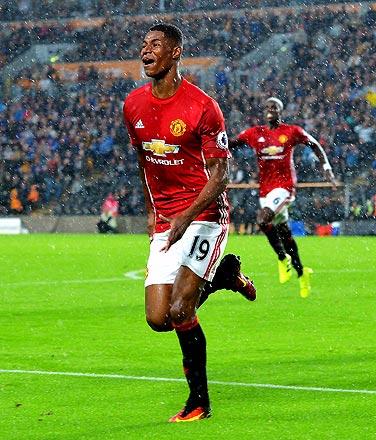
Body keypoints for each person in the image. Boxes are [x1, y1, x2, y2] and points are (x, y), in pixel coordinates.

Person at [122, 23, 255, 423]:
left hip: (204, 217)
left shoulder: (202, 107)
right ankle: (224, 276)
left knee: (181, 309)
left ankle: (199, 401)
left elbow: (220, 176)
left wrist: (185, 215)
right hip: (166, 219)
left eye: (156, 45)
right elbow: (144, 162)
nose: (147, 51)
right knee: (158, 319)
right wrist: (152, 211)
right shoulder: (133, 105)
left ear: (176, 53)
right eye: (144, 44)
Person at [229, 97, 337, 298]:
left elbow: (314, 145)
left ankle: (281, 258)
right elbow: (231, 143)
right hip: (265, 190)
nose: (271, 110)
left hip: (284, 188)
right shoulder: (255, 134)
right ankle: (302, 272)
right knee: (285, 235)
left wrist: (327, 168)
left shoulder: (291, 131)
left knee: (262, 219)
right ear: (264, 111)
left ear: (281, 111)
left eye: (275, 107)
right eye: (268, 107)